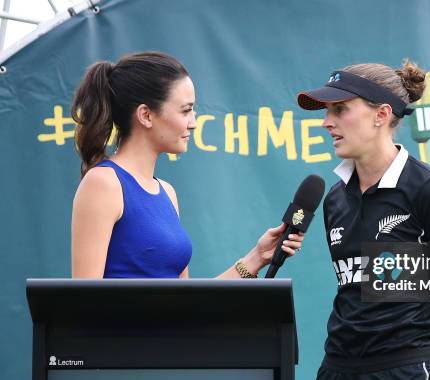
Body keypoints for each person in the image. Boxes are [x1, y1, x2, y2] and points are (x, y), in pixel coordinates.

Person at [297, 61, 430, 380]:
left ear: (381, 115)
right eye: (327, 112)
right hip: (336, 376)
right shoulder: (335, 199)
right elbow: (353, 292)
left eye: (340, 110)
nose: (327, 122)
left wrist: (410, 352)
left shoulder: (429, 192)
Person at [71, 52, 303, 279]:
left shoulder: (167, 193)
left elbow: (188, 303)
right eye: (186, 110)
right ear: (146, 115)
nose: (193, 123)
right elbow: (84, 303)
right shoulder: (103, 183)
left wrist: (257, 257)